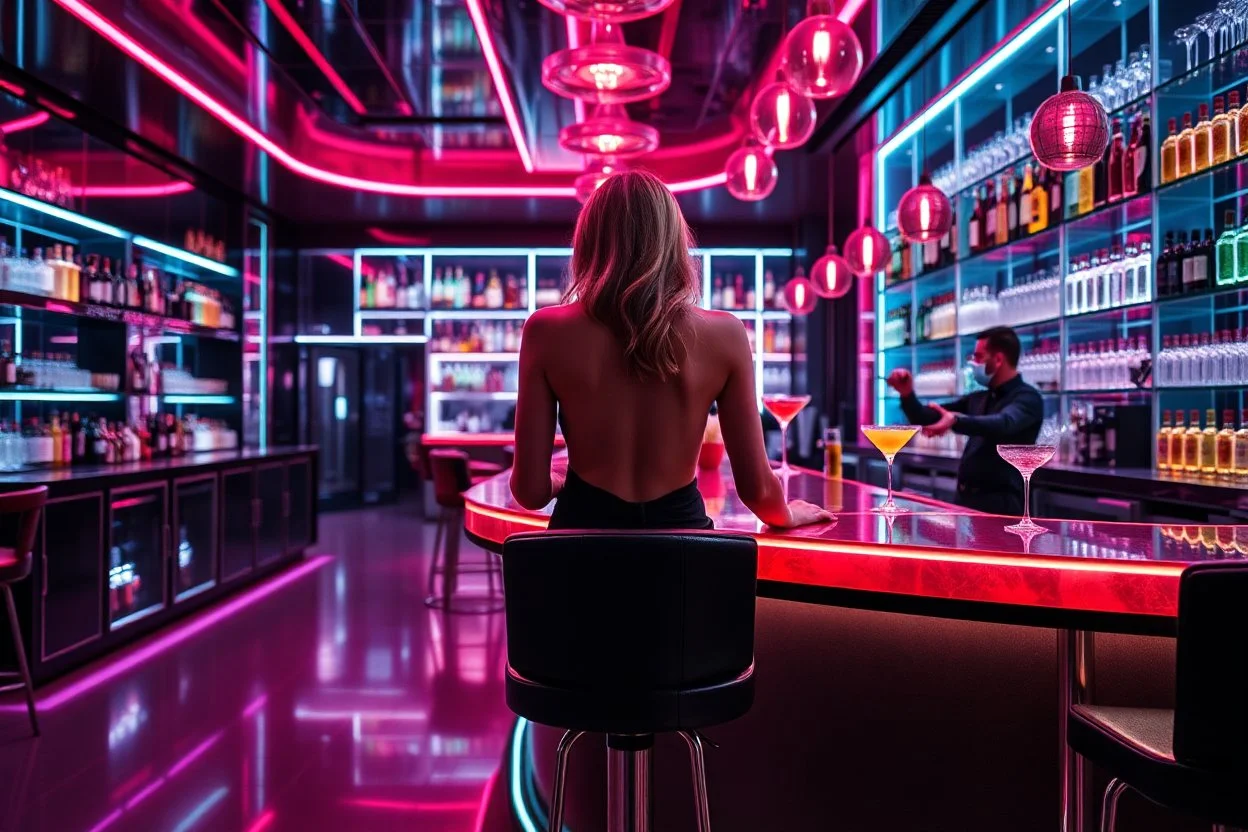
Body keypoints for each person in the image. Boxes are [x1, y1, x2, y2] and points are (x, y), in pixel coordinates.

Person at [510, 170, 832, 531]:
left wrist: (557, 482)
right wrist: (786, 514)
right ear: (673, 240)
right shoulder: (725, 333)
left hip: (578, 550)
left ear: (589, 241)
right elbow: (757, 489)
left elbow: (529, 491)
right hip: (683, 553)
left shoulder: (545, 331)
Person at [887, 326, 1043, 515]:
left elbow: (1004, 423)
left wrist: (956, 421)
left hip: (1001, 505)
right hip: (964, 501)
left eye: (978, 357)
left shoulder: (1027, 398)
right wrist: (907, 394)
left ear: (999, 359)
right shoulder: (979, 398)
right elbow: (929, 417)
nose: (973, 363)